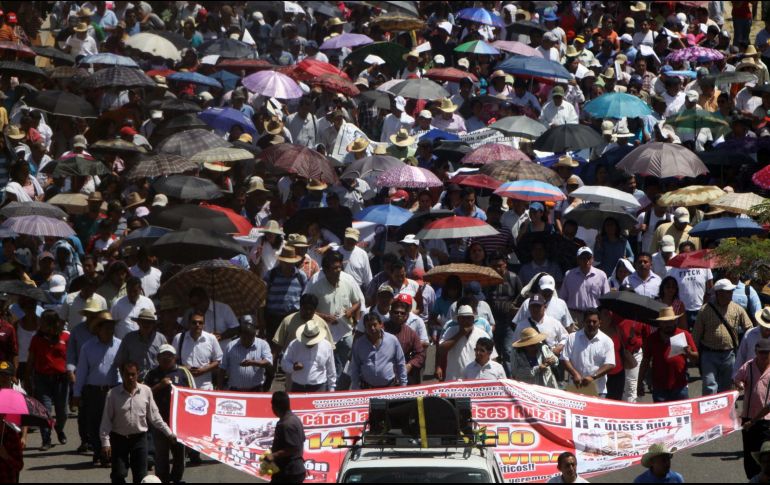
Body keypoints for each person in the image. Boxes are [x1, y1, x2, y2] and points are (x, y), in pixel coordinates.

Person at [100, 361, 176, 484]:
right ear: (122, 374)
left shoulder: (146, 391)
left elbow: (155, 416)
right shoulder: (112, 394)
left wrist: (169, 433)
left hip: (139, 439)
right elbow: (106, 420)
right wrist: (105, 442)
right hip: (119, 438)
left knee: (141, 475)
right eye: (127, 374)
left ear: (138, 374)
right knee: (118, 474)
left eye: (133, 374)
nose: (130, 378)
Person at [305, 250, 362, 386]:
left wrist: (351, 311)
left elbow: (358, 302)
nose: (338, 270)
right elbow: (307, 309)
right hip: (324, 335)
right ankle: (326, 391)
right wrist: (325, 317)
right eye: (334, 268)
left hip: (346, 333)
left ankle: (338, 392)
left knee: (343, 366)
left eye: (339, 267)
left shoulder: (347, 280)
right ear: (325, 270)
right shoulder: (315, 285)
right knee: (325, 366)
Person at [73, 312, 122, 466]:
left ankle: (109, 453)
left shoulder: (119, 345)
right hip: (93, 391)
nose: (110, 330)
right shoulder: (88, 347)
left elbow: (122, 368)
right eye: (106, 327)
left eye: (112, 327)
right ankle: (98, 451)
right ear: (99, 329)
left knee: (113, 423)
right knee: (94, 424)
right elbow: (81, 371)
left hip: (113, 389)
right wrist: (76, 393)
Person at [694, 278, 753, 395]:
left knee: (726, 389)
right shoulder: (704, 310)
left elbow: (749, 329)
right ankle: (709, 412)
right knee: (709, 386)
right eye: (727, 292)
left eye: (731, 291)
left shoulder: (737, 309)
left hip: (729, 355)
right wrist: (695, 356)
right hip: (709, 355)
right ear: (718, 293)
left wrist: (747, 350)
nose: (731, 294)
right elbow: (696, 334)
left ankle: (724, 412)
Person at [144, 345, 191, 484]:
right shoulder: (151, 374)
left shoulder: (183, 372)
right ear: (158, 358)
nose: (166, 358)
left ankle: (176, 479)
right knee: (161, 456)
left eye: (169, 356)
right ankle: (162, 480)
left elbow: (193, 396)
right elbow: (142, 395)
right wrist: (159, 385)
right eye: (163, 356)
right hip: (159, 423)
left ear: (175, 357)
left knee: (179, 456)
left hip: (178, 423)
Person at [26, 310, 69, 451]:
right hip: (42, 379)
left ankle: (58, 427)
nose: (40, 325)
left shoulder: (65, 336)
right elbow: (31, 360)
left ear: (53, 324)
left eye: (43, 323)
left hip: (61, 380)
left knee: (62, 412)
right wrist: (28, 378)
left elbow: (72, 357)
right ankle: (46, 439)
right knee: (44, 410)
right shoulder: (36, 339)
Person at [638, 307, 698, 402]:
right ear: (660, 323)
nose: (668, 324)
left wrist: (690, 353)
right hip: (659, 388)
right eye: (665, 322)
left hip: (680, 386)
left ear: (675, 321)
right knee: (661, 416)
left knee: (681, 415)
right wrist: (639, 382)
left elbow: (696, 358)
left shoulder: (685, 335)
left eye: (671, 321)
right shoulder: (652, 339)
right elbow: (645, 361)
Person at [735, 338, 770, 480]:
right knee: (750, 454)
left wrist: (754, 421)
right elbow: (737, 379)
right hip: (748, 419)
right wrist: (739, 384)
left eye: (767, 352)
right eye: (761, 352)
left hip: (766, 421)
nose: (764, 355)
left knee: (766, 454)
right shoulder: (748, 366)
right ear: (756, 352)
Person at [561, 309, 616, 397]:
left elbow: (610, 364)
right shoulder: (572, 338)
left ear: (600, 322)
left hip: (597, 390)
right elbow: (564, 359)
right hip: (575, 388)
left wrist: (593, 377)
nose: (591, 324)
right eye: (588, 321)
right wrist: (575, 374)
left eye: (594, 322)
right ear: (583, 322)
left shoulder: (607, 341)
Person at [439, 305, 498, 381]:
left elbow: (493, 357)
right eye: (463, 318)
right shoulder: (450, 331)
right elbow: (441, 350)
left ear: (473, 319)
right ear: (458, 319)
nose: (466, 321)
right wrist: (460, 334)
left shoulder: (482, 334)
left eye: (468, 318)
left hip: (475, 379)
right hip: (454, 378)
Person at [349, 312, 407, 389]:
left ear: (381, 325)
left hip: (389, 387)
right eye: (369, 326)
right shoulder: (359, 344)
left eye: (374, 325)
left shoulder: (392, 340)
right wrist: (355, 387)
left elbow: (401, 362)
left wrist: (403, 384)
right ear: (365, 328)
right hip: (367, 388)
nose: (372, 328)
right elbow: (355, 367)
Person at [172, 310, 223, 391]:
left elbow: (219, 360)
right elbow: (172, 360)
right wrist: (184, 368)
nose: (197, 325)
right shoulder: (179, 338)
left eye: (200, 323)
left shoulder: (211, 338)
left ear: (204, 324)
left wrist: (204, 370)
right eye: (194, 322)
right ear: (189, 323)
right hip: (184, 385)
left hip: (205, 386)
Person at [559, 247, 610, 324]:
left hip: (593, 317)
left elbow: (606, 299)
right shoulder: (569, 275)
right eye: (582, 258)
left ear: (592, 259)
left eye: (588, 257)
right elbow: (562, 298)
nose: (586, 260)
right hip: (574, 316)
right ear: (577, 259)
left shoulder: (601, 275)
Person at [263, 391, 306, 483]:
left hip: (289, 473)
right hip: (294, 470)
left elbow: (293, 448)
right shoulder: (295, 419)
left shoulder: (286, 424)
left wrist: (274, 455)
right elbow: (300, 441)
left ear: (275, 407)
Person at [281, 320, 336, 392]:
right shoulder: (294, 344)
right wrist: (293, 367)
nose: (309, 344)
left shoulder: (326, 346)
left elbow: (331, 368)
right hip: (298, 387)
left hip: (319, 387)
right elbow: (284, 363)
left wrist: (332, 388)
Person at [114, 308, 167, 381]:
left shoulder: (161, 338)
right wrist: (125, 380)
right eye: (143, 322)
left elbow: (166, 360)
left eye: (149, 322)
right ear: (138, 323)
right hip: (134, 381)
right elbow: (121, 361)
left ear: (153, 324)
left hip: (156, 380)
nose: (146, 324)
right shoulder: (129, 338)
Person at [219, 322, 272, 392]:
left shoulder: (263, 344)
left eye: (250, 338)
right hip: (235, 390)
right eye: (244, 338)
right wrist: (220, 388)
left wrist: (253, 363)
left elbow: (268, 362)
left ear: (254, 335)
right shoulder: (231, 346)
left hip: (255, 390)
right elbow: (223, 367)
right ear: (240, 335)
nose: (247, 340)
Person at [384, 295, 425, 385]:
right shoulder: (381, 329)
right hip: (382, 376)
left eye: (402, 313)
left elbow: (421, 354)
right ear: (390, 313)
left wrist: (410, 365)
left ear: (406, 316)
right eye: (396, 312)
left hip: (402, 376)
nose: (399, 315)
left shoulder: (411, 333)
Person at [736, 307, 770, 377]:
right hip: (750, 377)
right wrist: (736, 376)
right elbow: (741, 357)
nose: (768, 328)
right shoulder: (749, 334)